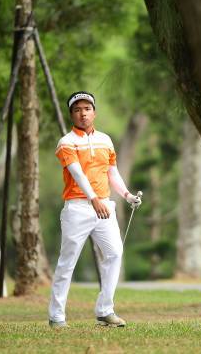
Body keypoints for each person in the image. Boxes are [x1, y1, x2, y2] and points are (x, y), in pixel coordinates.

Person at [48, 91, 142, 328]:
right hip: (78, 207)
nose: (83, 113)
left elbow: (112, 172)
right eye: (77, 110)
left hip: (104, 207)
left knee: (115, 253)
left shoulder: (106, 140)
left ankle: (105, 310)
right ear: (71, 114)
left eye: (87, 109)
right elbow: (76, 173)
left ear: (94, 112)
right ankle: (57, 316)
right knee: (67, 262)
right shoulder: (66, 142)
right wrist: (93, 199)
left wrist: (127, 195)